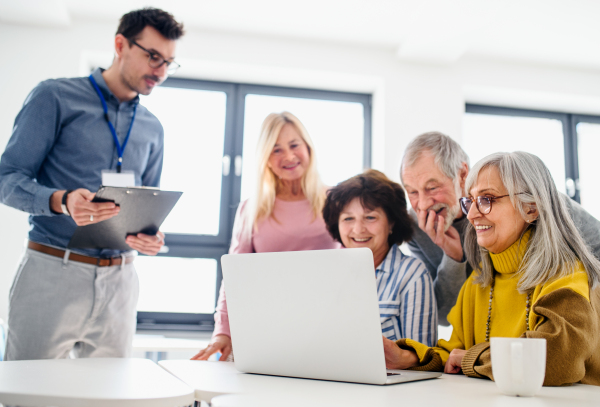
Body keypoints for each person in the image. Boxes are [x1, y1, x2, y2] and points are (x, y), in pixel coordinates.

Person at [0, 8, 184, 360]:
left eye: (169, 63)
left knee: (108, 396)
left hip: (121, 281)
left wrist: (150, 236)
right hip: (53, 271)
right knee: (30, 395)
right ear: (120, 44)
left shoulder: (153, 127)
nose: (160, 71)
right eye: (153, 56)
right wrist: (62, 200)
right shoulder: (54, 97)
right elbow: (6, 179)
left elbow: (148, 203)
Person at [384, 151, 600, 386]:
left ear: (531, 208)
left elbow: (556, 359)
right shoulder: (477, 283)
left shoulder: (567, 276)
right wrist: (405, 357)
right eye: (471, 201)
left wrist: (471, 357)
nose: (473, 215)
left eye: (487, 200)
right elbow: (452, 354)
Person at [401, 131, 600, 325]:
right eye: (412, 192)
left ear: (462, 174)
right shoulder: (416, 228)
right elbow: (445, 315)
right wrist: (453, 258)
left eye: (432, 188)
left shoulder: (527, 199)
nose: (424, 203)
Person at [191, 111, 341, 361]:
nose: (289, 156)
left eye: (294, 145)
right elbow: (234, 275)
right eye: (276, 149)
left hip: (327, 324)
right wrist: (224, 332)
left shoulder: (336, 199)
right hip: (266, 328)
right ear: (266, 159)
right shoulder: (251, 208)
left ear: (308, 148)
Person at [322, 170, 437, 345]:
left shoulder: (412, 275)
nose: (358, 229)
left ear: (391, 222)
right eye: (348, 219)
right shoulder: (326, 273)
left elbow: (423, 359)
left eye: (370, 217)